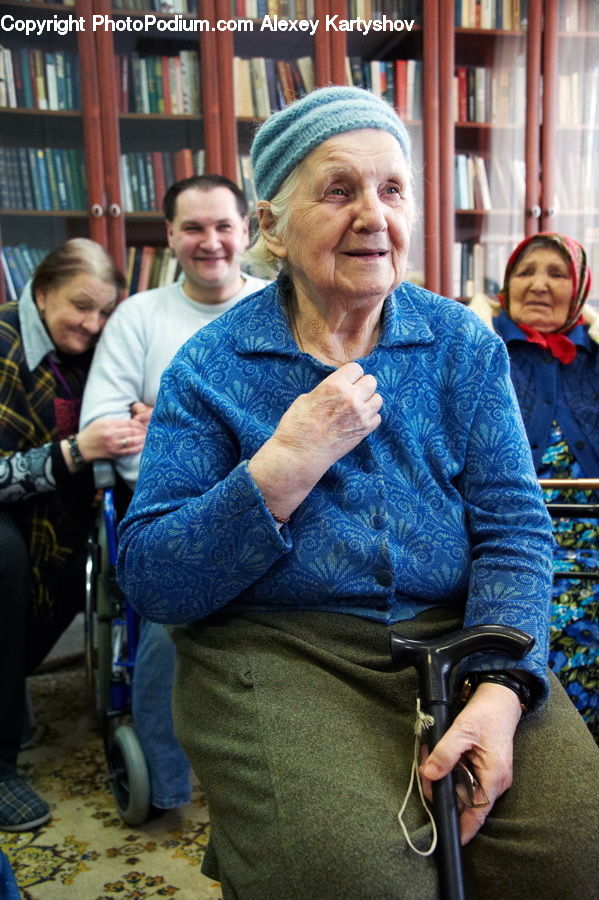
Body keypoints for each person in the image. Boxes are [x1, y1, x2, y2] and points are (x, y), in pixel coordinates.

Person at [116, 88, 598, 898]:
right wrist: (284, 464)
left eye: (393, 190)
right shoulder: (210, 367)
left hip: (459, 633)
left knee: (576, 846)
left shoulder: (461, 346)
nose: (373, 216)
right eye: (338, 191)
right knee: (356, 879)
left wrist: (502, 687)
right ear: (269, 226)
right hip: (275, 648)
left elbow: (516, 529)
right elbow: (154, 578)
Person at [80, 175, 269, 812]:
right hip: (171, 512)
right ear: (169, 237)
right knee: (169, 623)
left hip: (274, 504)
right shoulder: (140, 317)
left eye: (223, 226)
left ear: (248, 231)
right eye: (193, 227)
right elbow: (102, 428)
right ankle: (165, 780)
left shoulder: (279, 306)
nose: (210, 242)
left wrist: (159, 412)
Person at [0, 238, 146, 832]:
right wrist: (75, 450)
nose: (92, 323)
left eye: (104, 311)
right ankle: (1, 763)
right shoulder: (5, 342)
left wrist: (139, 413)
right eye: (79, 306)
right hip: (8, 512)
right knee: (5, 558)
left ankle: (9, 688)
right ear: (41, 292)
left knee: (91, 548)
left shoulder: (90, 350)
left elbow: (113, 402)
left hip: (56, 511)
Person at [471, 233, 598, 738]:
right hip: (509, 540)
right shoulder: (480, 349)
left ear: (581, 288)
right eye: (525, 272)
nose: (539, 285)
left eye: (557, 273)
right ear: (504, 287)